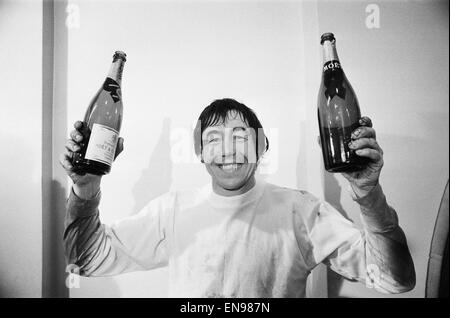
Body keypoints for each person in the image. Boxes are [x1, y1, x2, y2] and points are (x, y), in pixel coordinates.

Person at [60, 98, 415, 297]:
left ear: (262, 146)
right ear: (199, 152)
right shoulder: (173, 210)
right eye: (213, 138)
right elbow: (85, 261)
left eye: (241, 136)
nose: (228, 149)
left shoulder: (301, 211)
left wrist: (368, 194)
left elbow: (396, 279)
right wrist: (86, 190)